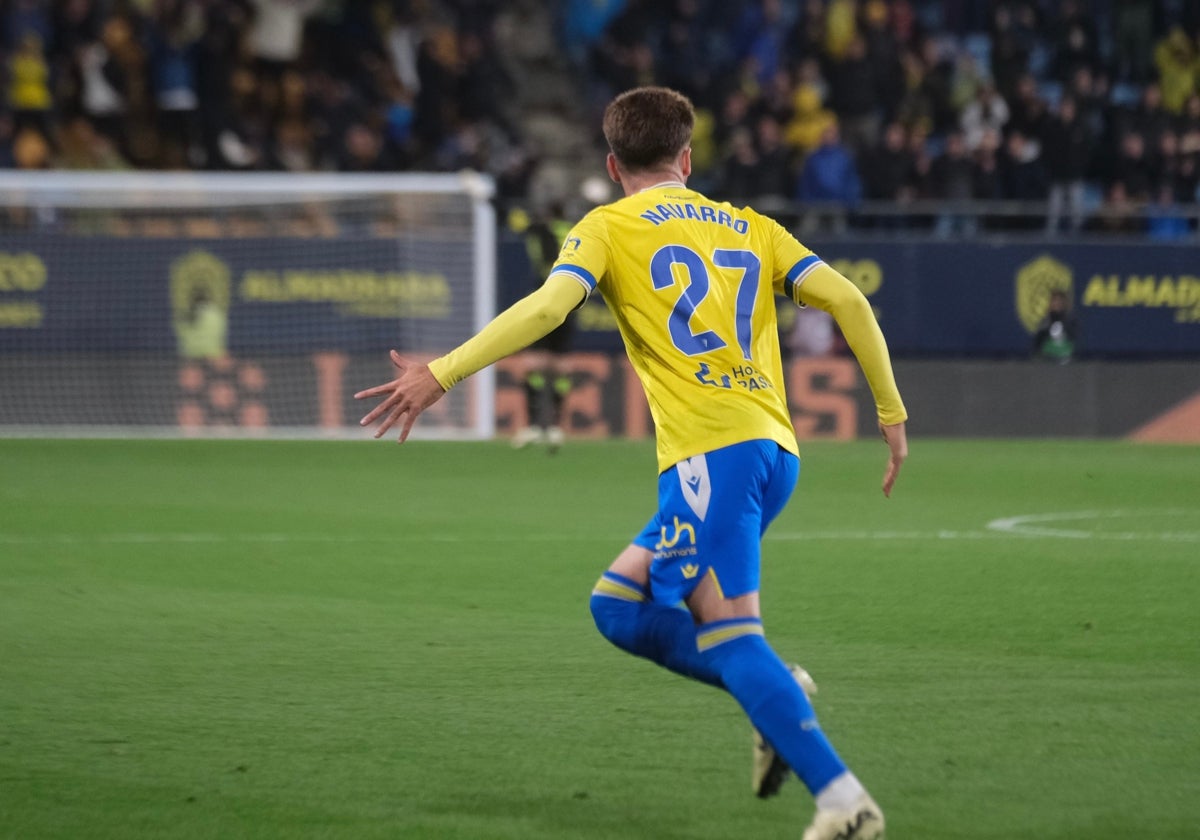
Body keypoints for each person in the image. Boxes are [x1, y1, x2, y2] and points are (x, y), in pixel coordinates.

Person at [356, 86, 907, 840]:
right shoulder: (754, 228)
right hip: (772, 452)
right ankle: (776, 692)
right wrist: (890, 412)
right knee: (617, 605)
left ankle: (845, 802)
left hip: (712, 458)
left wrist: (442, 371)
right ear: (687, 157)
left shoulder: (607, 226)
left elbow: (551, 308)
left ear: (614, 165)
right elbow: (850, 301)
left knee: (733, 637)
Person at [1032, 289, 1078, 363]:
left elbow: (1075, 342)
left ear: (1064, 303)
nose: (1057, 303)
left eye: (1059, 301)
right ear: (1050, 303)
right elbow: (1037, 345)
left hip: (1068, 360)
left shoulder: (1071, 321)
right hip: (1047, 360)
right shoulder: (1044, 322)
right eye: (1054, 301)